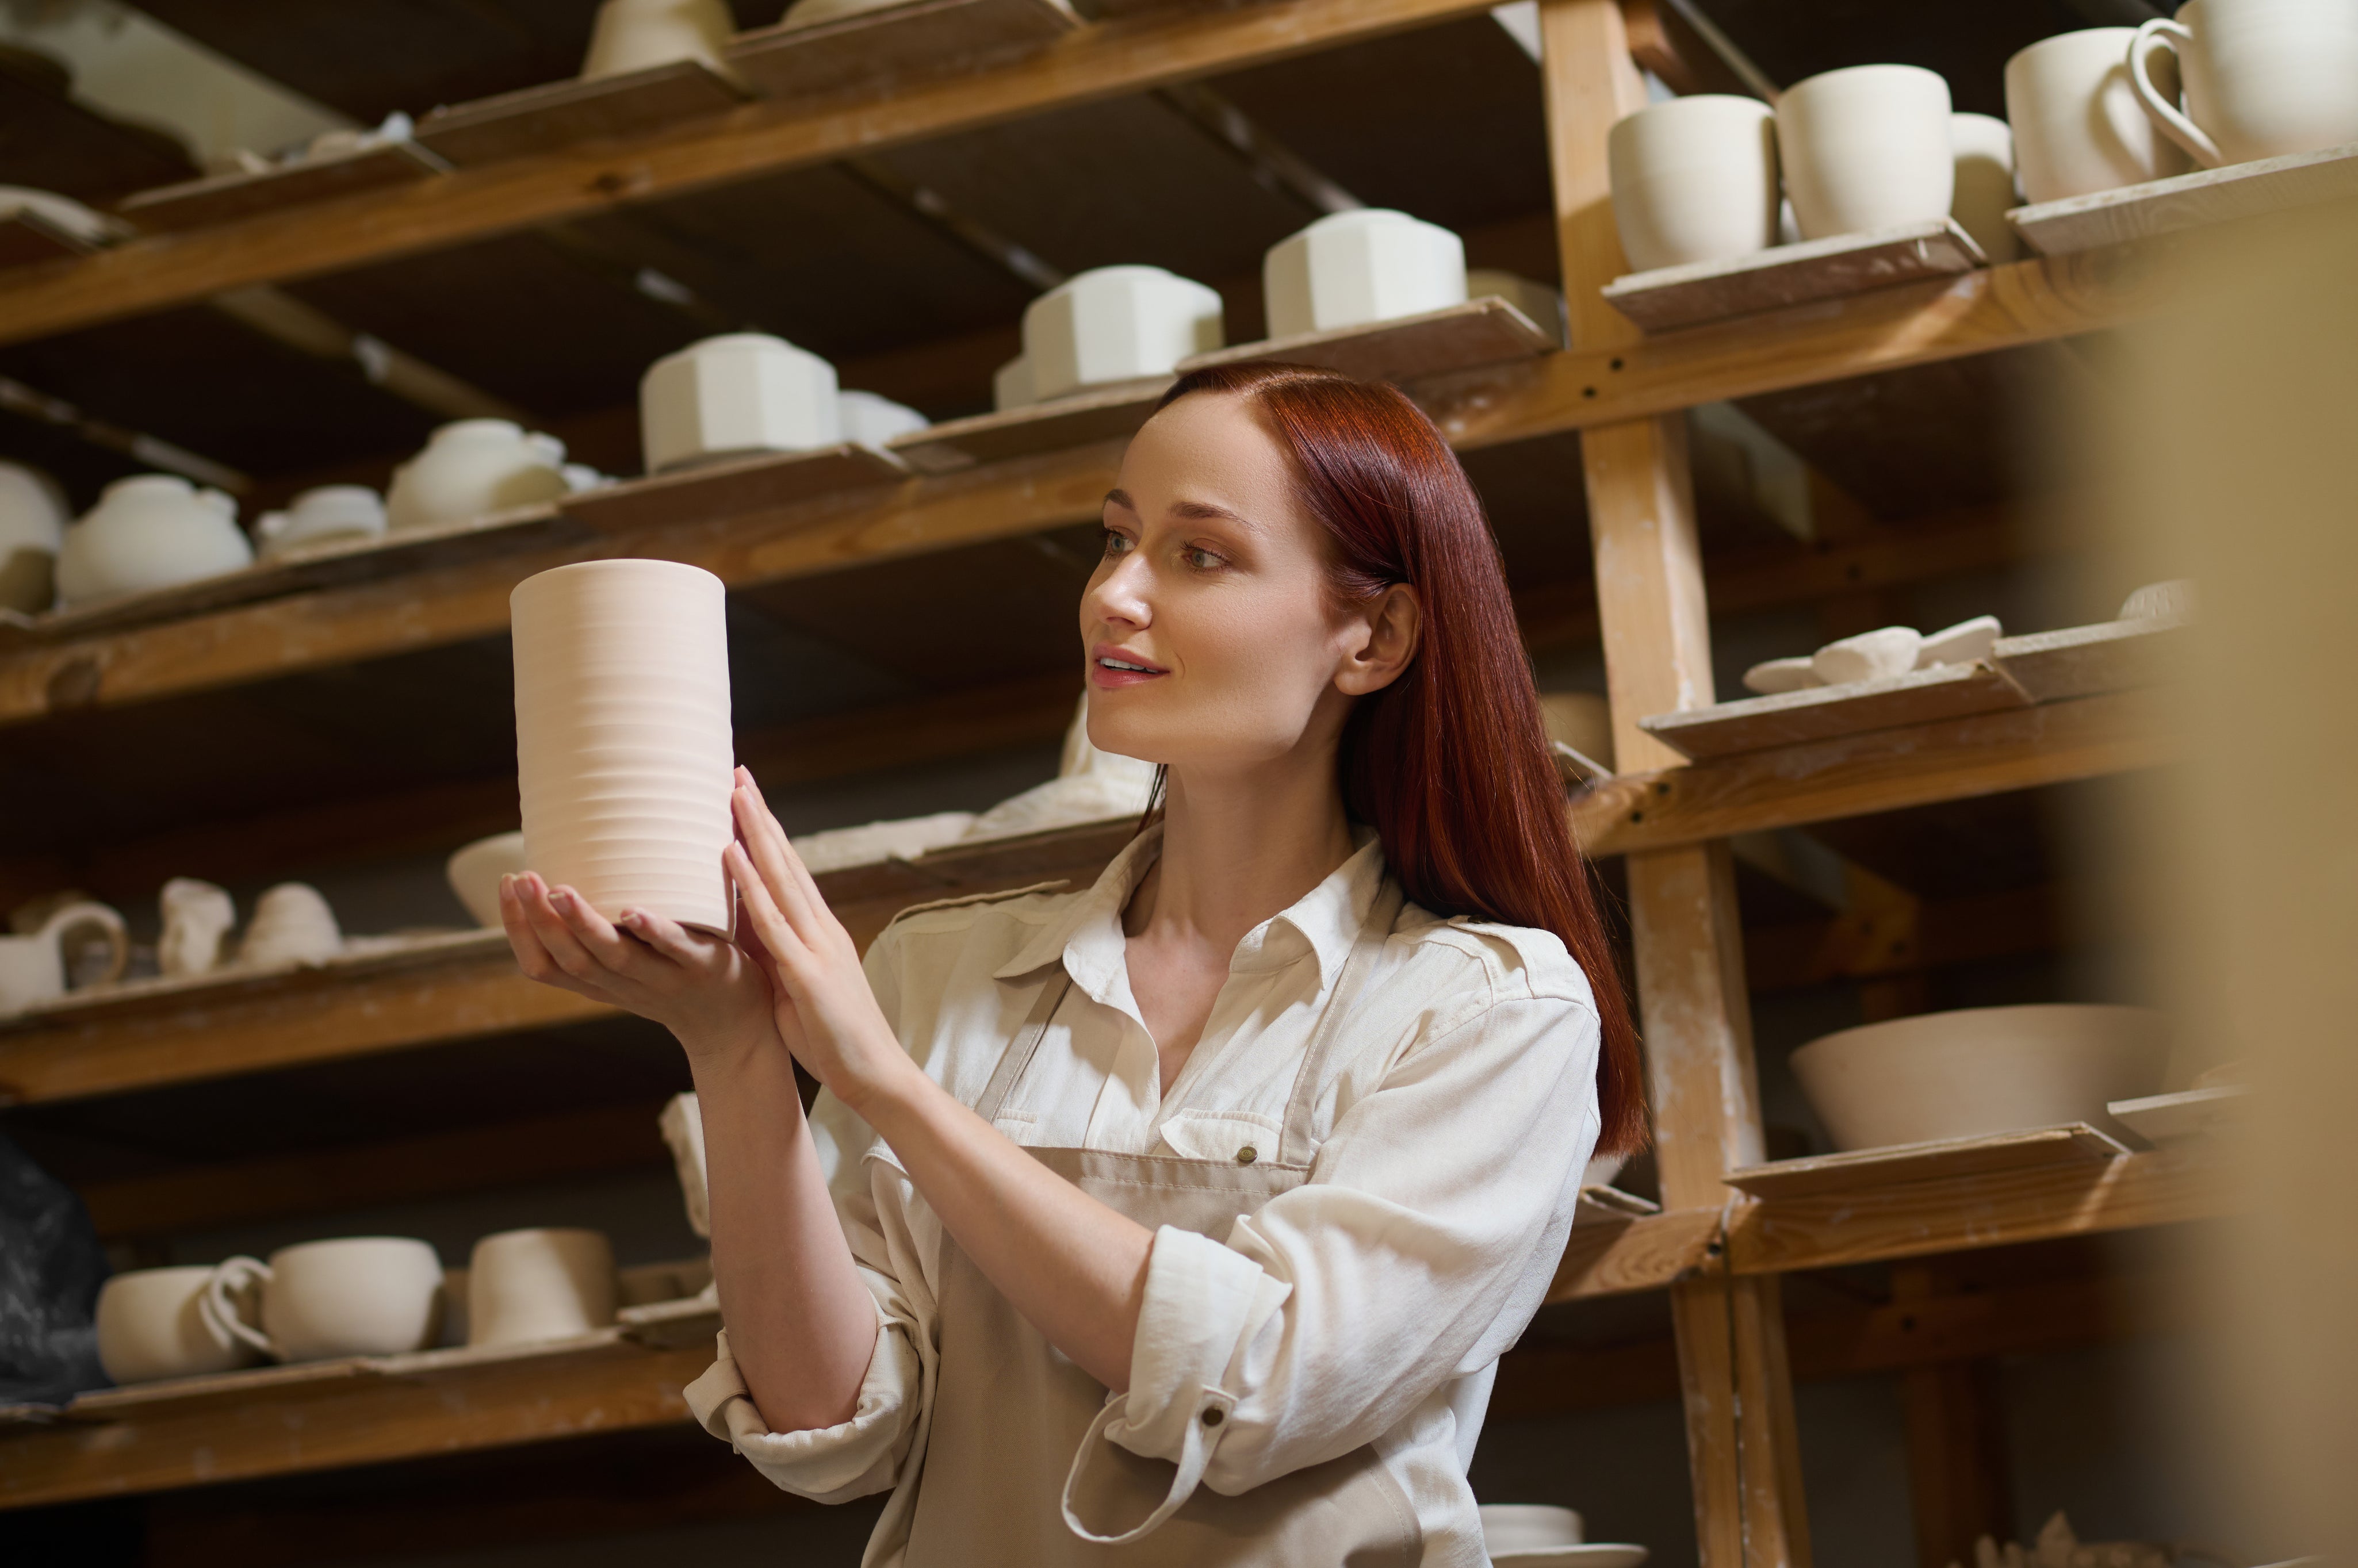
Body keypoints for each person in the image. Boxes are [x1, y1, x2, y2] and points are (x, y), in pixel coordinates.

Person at [499, 361, 1644, 1565]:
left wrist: (889, 1082)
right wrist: (732, 1043)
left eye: (1199, 554)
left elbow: (1260, 1385)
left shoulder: (1488, 1008)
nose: (1115, 595)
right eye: (1115, 538)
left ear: (1374, 636)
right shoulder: (944, 969)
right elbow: (830, 1422)